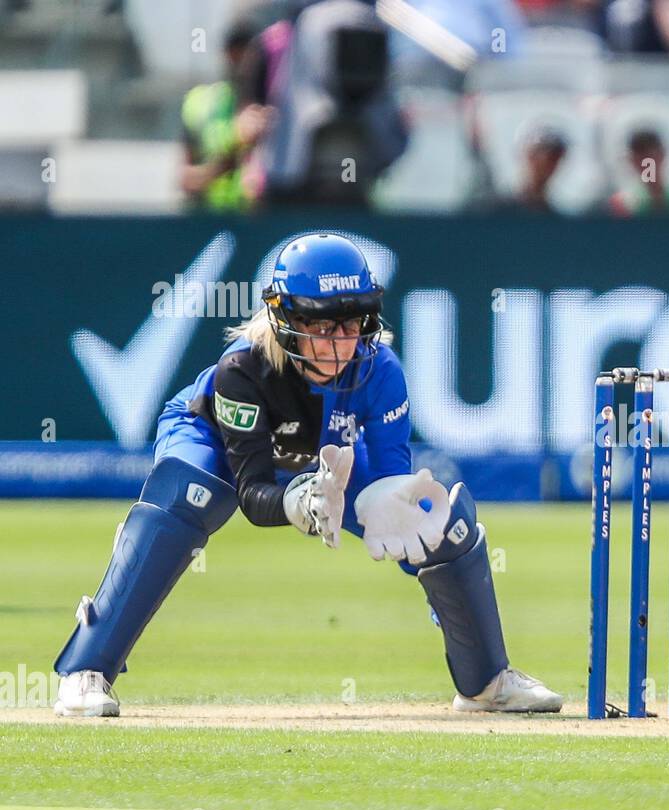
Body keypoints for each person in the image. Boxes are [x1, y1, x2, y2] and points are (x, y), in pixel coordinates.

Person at [53, 233, 562, 718]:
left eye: (352, 323)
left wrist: (397, 514)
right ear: (284, 319)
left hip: (325, 454)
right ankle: (86, 670)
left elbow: (392, 479)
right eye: (322, 326)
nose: (340, 342)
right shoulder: (241, 373)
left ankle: (487, 682)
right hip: (209, 437)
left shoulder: (381, 370)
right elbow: (251, 493)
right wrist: (297, 502)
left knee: (438, 524)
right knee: (191, 495)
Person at [179, 17, 271, 211]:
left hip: (259, 226)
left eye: (248, 55)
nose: (241, 63)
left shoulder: (275, 106)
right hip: (209, 222)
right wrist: (233, 152)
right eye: (235, 53)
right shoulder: (201, 103)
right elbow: (186, 181)